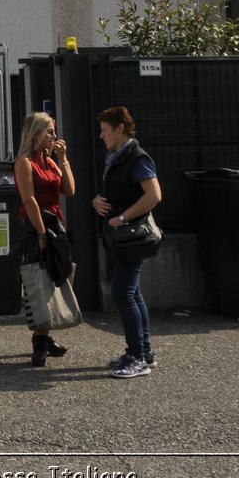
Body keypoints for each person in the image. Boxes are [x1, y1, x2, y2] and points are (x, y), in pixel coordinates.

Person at [92, 105, 162, 379]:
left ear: (120, 128)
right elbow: (117, 190)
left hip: (132, 236)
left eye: (105, 130)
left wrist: (122, 217)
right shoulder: (117, 156)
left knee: (123, 293)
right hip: (123, 236)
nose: (102, 136)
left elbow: (154, 195)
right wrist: (96, 200)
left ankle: (137, 358)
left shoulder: (137, 157)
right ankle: (145, 352)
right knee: (133, 293)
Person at [15, 111, 76, 366]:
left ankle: (44, 336)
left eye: (54, 131)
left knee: (55, 277)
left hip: (56, 223)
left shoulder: (49, 161)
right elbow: (29, 200)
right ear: (36, 133)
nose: (54, 136)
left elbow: (69, 190)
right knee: (37, 281)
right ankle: (40, 340)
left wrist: (63, 159)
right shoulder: (25, 162)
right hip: (36, 225)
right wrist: (41, 233)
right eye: (49, 131)